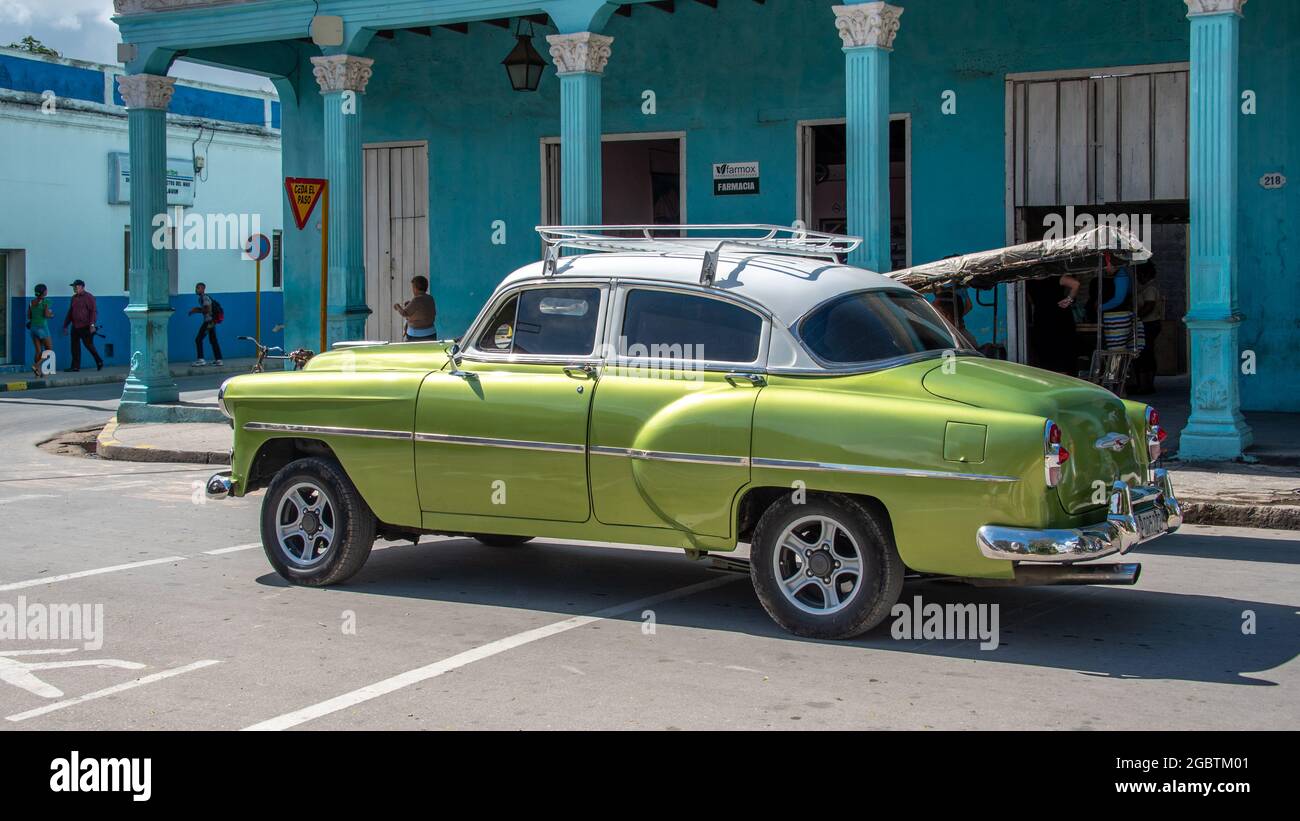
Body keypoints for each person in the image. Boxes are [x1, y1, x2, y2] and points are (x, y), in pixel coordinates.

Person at [1026, 274, 1081, 375]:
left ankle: (1053, 382)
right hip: (1058, 318)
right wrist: (1069, 300)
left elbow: (1031, 301)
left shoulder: (1027, 281)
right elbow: (1076, 284)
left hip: (1043, 319)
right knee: (1061, 353)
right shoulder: (1054, 277)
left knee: (1047, 354)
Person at [1132, 261, 1164, 394]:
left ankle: (1146, 385)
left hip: (1149, 324)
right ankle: (1145, 384)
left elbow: (1149, 306)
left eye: (1138, 274)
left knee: (1145, 354)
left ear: (1144, 274)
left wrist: (1136, 316)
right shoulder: (1146, 287)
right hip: (1149, 323)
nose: (1137, 277)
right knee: (1147, 354)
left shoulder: (1150, 288)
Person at [62, 279, 103, 372]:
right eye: (73, 287)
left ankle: (99, 361)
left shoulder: (89, 297)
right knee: (74, 347)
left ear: (82, 287)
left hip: (85, 326)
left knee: (88, 345)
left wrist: (92, 324)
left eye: (76, 287)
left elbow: (93, 311)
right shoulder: (73, 298)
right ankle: (75, 366)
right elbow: (70, 312)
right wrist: (65, 325)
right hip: (75, 325)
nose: (74, 289)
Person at [188, 282, 223, 366]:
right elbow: (205, 308)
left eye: (198, 288)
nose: (196, 290)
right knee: (213, 340)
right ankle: (218, 360)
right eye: (196, 288)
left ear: (203, 289)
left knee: (198, 339)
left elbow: (207, 309)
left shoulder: (204, 297)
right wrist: (197, 309)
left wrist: (196, 310)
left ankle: (201, 359)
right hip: (212, 321)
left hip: (209, 322)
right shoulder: (202, 298)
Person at [393, 275, 437, 342]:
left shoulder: (416, 299)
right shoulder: (430, 298)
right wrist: (410, 304)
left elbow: (404, 313)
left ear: (415, 288)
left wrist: (397, 306)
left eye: (413, 287)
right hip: (431, 333)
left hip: (416, 335)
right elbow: (423, 311)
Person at [26, 283, 55, 378]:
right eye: (46, 290)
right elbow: (46, 315)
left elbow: (29, 316)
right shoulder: (46, 302)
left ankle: (37, 372)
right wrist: (51, 315)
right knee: (49, 350)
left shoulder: (31, 302)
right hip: (42, 327)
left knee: (38, 351)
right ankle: (36, 365)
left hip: (33, 328)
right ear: (44, 292)